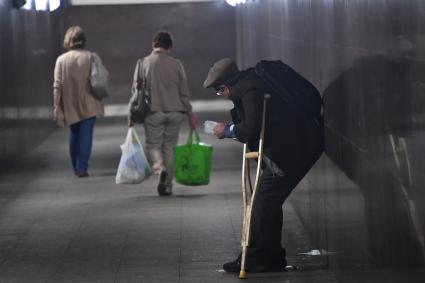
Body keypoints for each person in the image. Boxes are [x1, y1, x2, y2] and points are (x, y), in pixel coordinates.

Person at [203, 58, 324, 273]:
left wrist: (227, 130)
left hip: (292, 151)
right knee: (268, 203)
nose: (221, 95)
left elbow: (251, 127)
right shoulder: (251, 83)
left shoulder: (250, 90)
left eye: (219, 91)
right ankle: (271, 257)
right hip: (294, 147)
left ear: (225, 86)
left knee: (261, 204)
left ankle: (257, 257)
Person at [129, 31, 197, 196]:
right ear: (170, 47)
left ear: (153, 45)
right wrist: (189, 114)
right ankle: (167, 186)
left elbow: (136, 91)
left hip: (153, 112)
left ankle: (159, 168)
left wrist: (130, 115)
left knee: (153, 145)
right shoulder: (177, 64)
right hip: (174, 111)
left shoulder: (143, 63)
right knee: (170, 147)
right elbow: (184, 91)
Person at [53, 26, 105, 178]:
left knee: (74, 134)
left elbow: (57, 84)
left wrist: (57, 106)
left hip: (70, 104)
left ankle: (75, 166)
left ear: (68, 41)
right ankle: (82, 167)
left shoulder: (61, 60)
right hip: (90, 102)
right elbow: (102, 78)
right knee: (86, 136)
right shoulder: (91, 57)